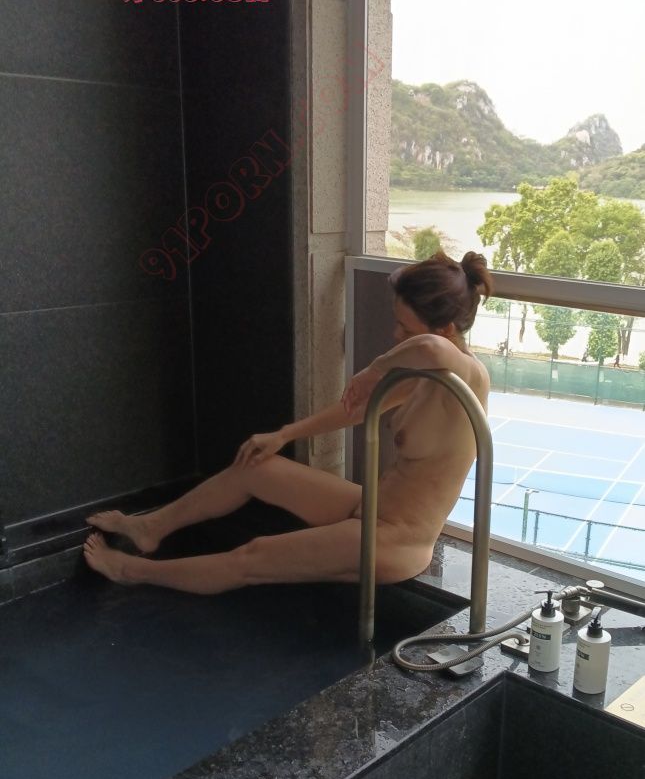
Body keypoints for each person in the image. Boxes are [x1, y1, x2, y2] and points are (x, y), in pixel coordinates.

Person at [83, 250, 493, 595]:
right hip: (370, 505)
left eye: (405, 327)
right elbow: (357, 409)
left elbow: (431, 348)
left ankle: (131, 571)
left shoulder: (468, 377)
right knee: (256, 466)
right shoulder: (424, 372)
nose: (395, 334)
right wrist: (284, 435)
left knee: (255, 555)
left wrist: (374, 369)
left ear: (445, 328)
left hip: (398, 539)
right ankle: (151, 528)